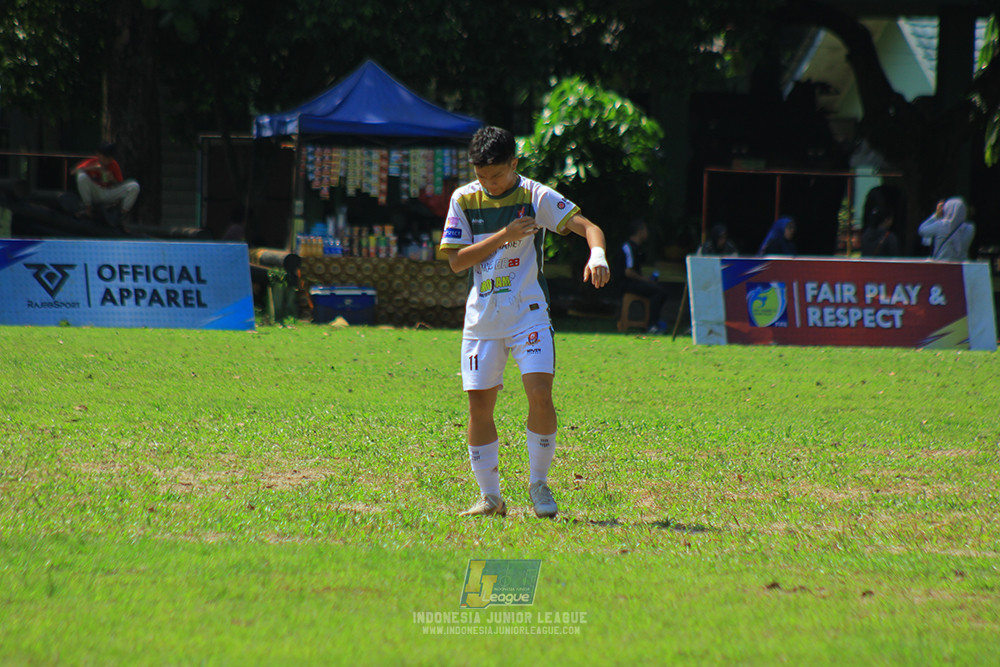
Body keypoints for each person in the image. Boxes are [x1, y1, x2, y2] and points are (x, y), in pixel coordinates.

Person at [439, 126, 610, 519]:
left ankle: (539, 484)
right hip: (482, 319)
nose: (489, 184)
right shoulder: (463, 199)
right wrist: (503, 236)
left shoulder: (535, 196)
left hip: (528, 313)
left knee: (539, 393)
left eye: (496, 176)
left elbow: (588, 227)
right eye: (482, 176)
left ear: (514, 164)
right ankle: (490, 497)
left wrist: (597, 254)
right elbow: (457, 261)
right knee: (479, 406)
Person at [612, 218, 670, 333]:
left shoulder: (637, 248)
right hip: (624, 283)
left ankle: (652, 322)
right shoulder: (628, 247)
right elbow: (628, 272)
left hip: (631, 282)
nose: (647, 233)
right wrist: (645, 280)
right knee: (658, 292)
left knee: (659, 290)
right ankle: (652, 325)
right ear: (640, 231)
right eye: (645, 230)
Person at [72, 142, 140, 224]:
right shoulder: (92, 162)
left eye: (109, 158)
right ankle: (88, 209)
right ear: (98, 155)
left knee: (134, 186)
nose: (107, 161)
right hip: (95, 192)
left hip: (108, 192)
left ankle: (121, 215)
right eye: (104, 158)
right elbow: (74, 172)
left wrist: (112, 179)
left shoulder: (114, 165)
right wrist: (93, 168)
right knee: (81, 176)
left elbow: (119, 183)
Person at [918, 196, 975, 261]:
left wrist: (936, 215)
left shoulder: (942, 225)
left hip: (942, 263)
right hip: (960, 264)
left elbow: (922, 230)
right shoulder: (970, 228)